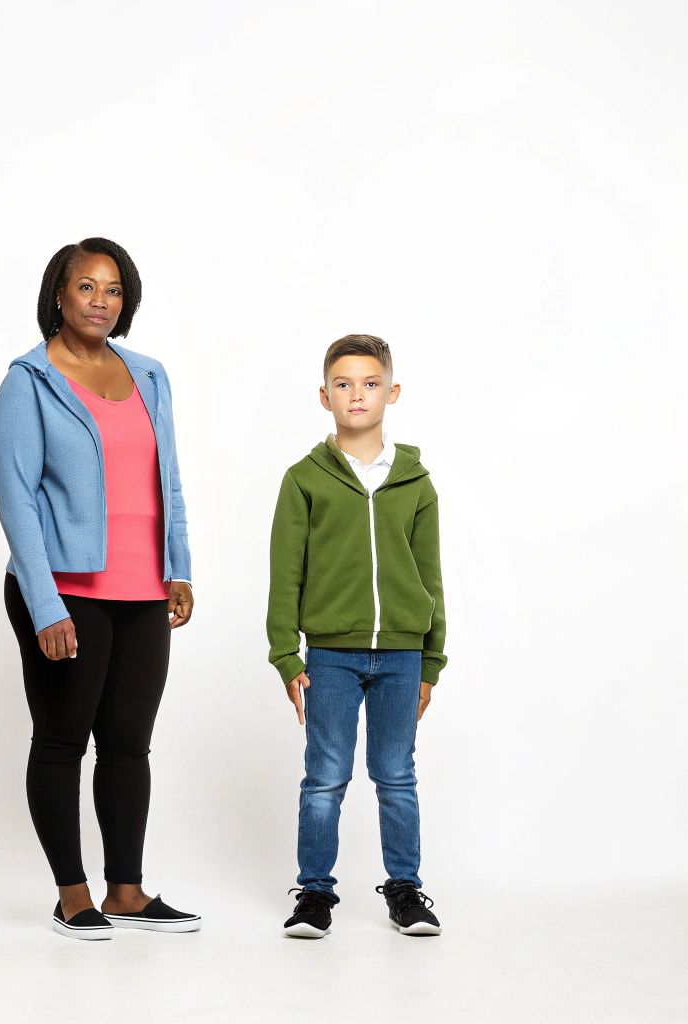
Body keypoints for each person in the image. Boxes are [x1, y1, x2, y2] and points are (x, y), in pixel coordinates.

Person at [0, 237, 202, 941]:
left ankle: (128, 891)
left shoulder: (149, 376)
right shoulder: (29, 380)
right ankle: (72, 893)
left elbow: (166, 478)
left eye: (113, 290)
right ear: (59, 293)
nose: (101, 302)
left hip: (143, 590)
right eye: (87, 288)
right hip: (67, 591)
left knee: (129, 746)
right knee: (61, 741)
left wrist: (179, 566)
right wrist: (45, 602)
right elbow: (16, 499)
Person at [268, 334, 446, 939]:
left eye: (370, 383)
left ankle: (406, 890)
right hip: (331, 655)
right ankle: (314, 893)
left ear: (391, 392)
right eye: (343, 384)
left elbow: (431, 575)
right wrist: (287, 654)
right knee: (325, 776)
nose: (357, 394)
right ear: (324, 396)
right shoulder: (303, 480)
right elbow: (284, 573)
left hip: (401, 653)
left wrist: (431, 662)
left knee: (396, 775)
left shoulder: (415, 483)